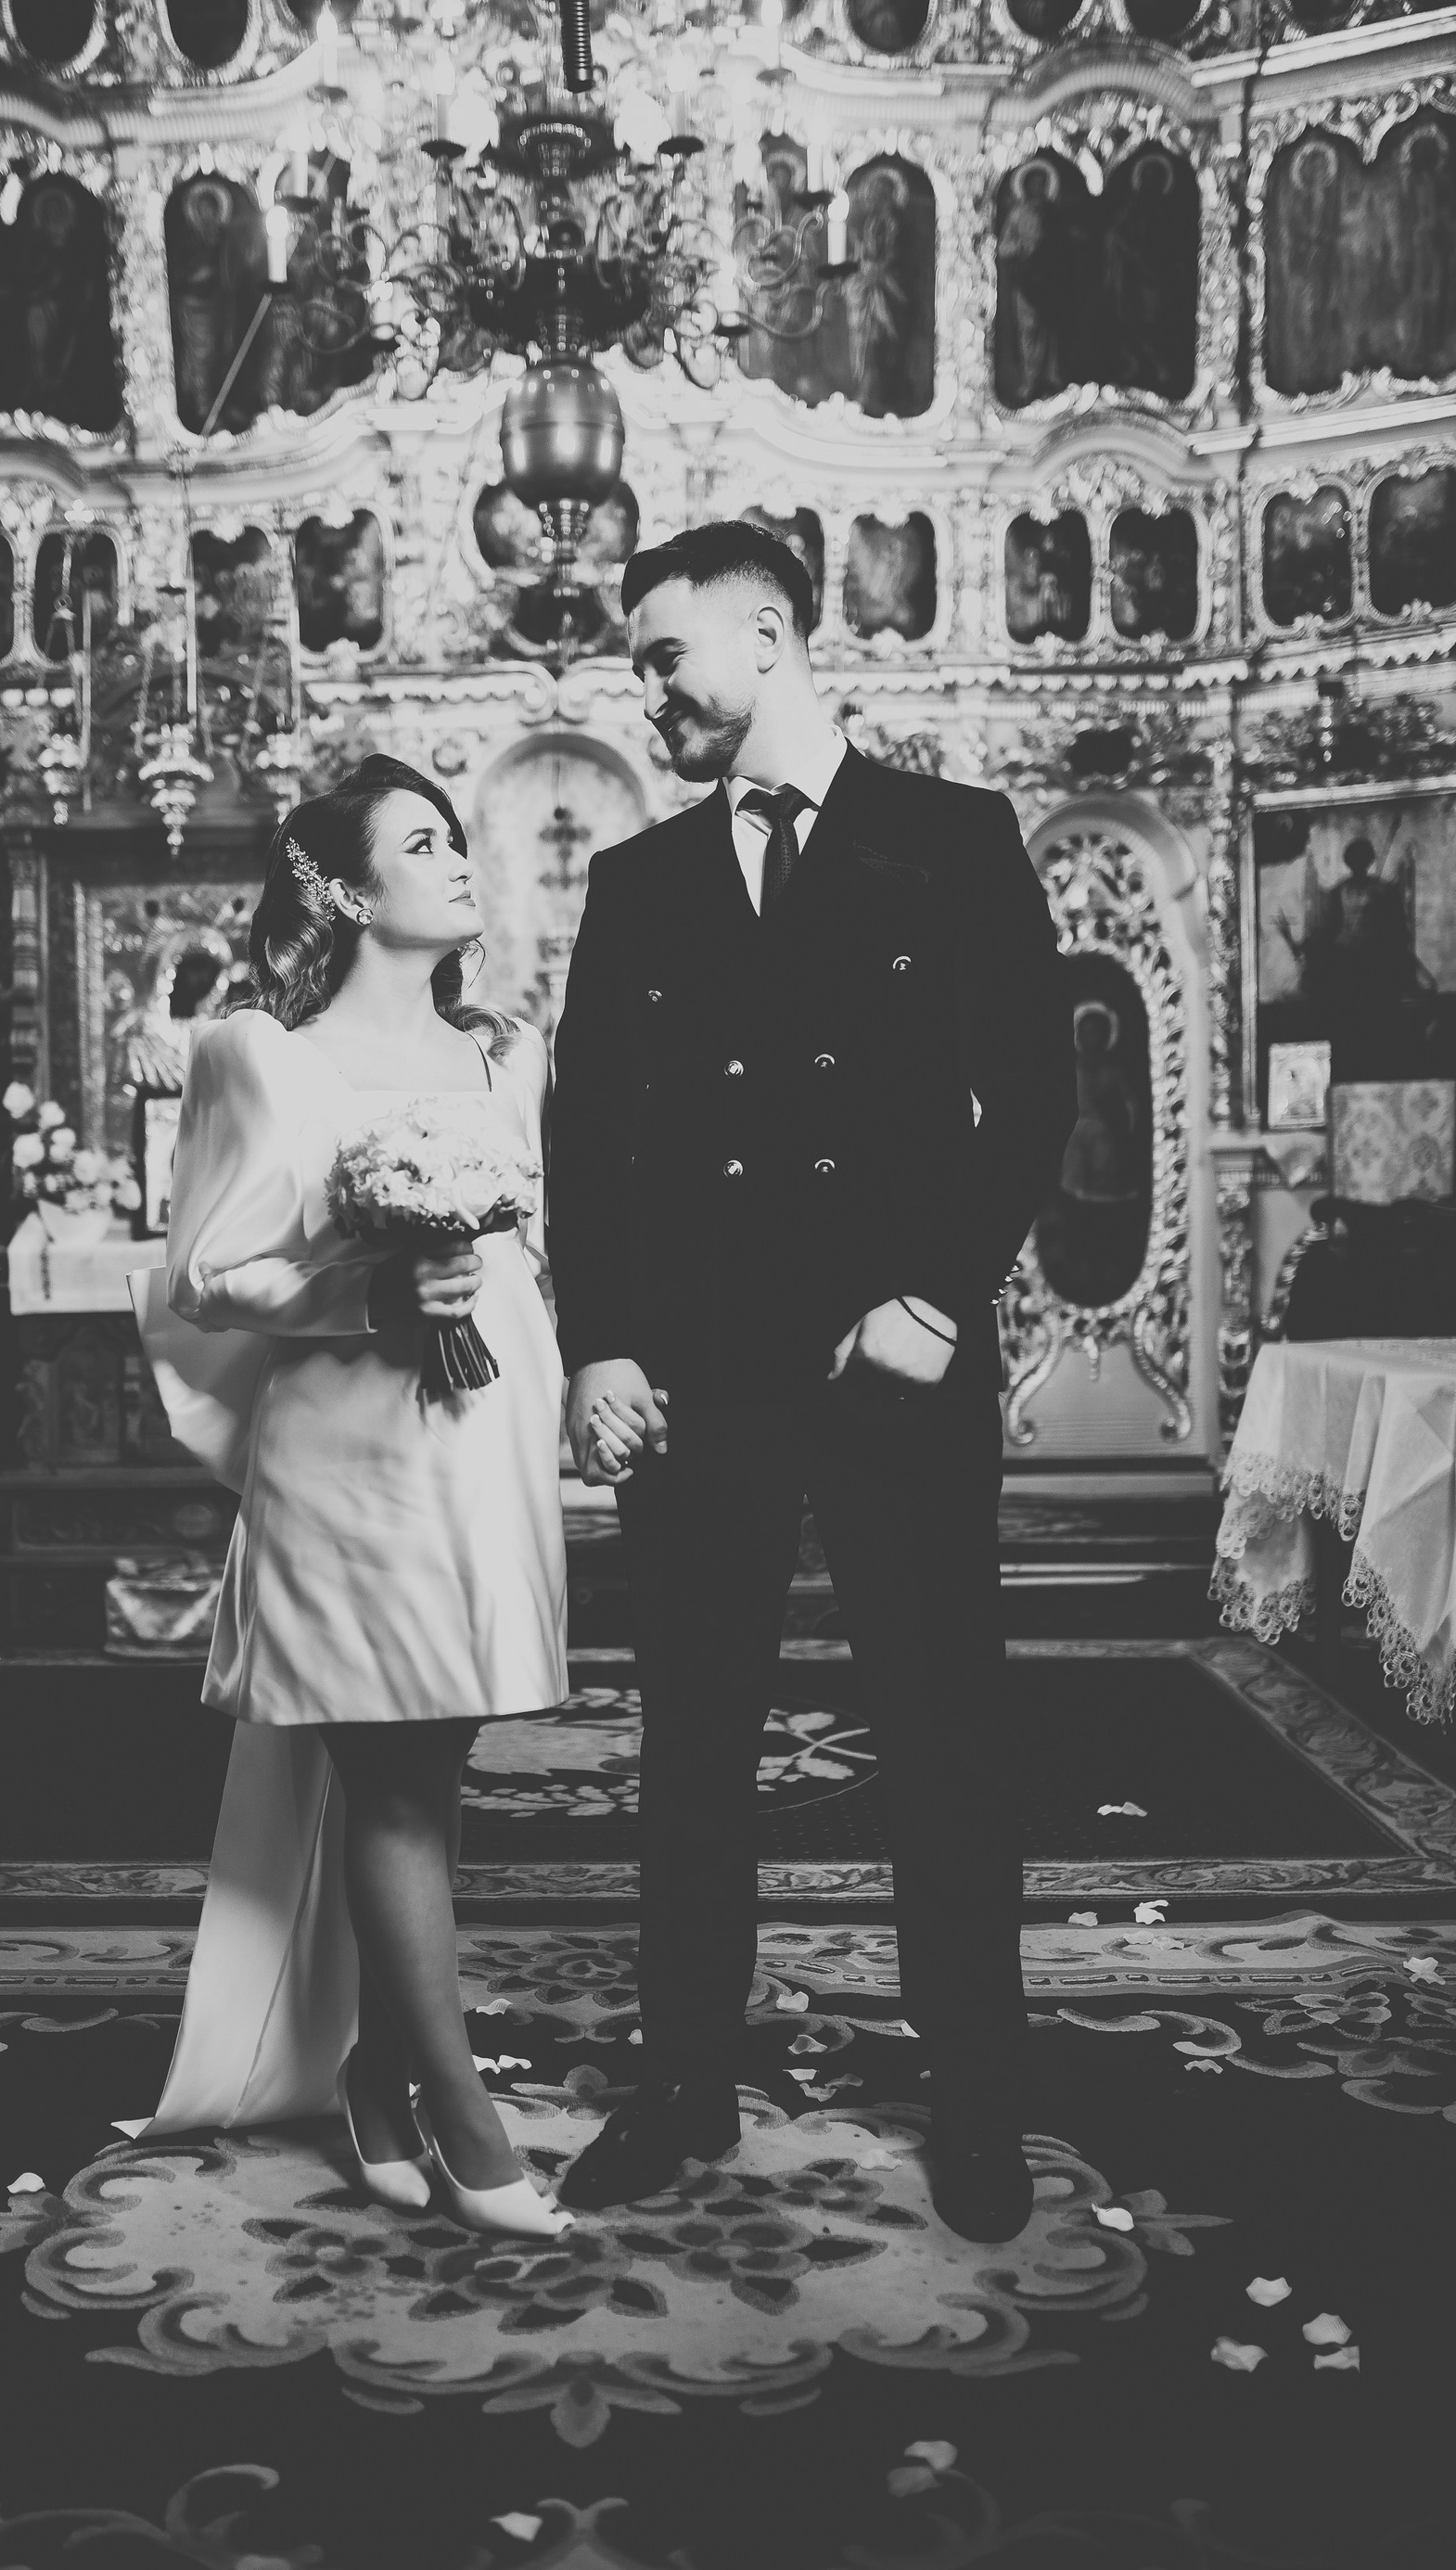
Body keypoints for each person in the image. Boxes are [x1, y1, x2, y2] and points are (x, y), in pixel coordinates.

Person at [548, 521, 1076, 2243]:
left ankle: (976, 2094)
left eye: (664, 657)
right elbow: (587, 1138)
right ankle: (684, 2080)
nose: (648, 695)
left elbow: (1038, 1097)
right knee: (694, 1744)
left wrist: (936, 1292)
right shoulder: (638, 882)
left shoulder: (953, 838)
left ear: (766, 636)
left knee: (942, 1736)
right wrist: (599, 1342)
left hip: (893, 1368)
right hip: (701, 1384)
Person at [127, 756, 572, 2241]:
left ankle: (379, 2084)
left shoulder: (507, 1056)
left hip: (481, 1443)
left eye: (457, 839)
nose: (459, 862)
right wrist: (366, 1293)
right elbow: (208, 1272)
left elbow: (523, 1255)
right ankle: (469, 2127)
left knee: (436, 1766)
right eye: (423, 843)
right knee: (388, 1778)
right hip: (349, 1459)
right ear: (344, 888)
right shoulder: (261, 1055)